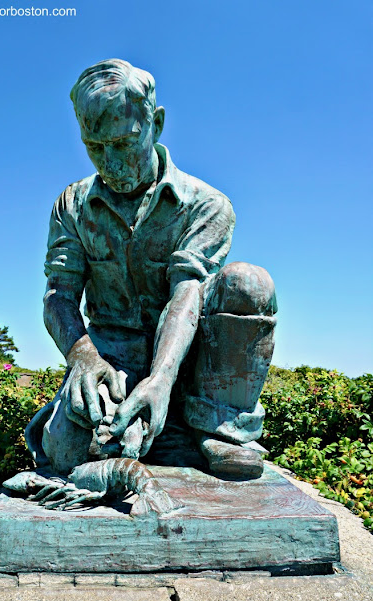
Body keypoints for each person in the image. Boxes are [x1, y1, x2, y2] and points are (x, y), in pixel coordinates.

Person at [26, 58, 277, 479]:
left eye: (123, 143)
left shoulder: (206, 204)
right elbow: (59, 295)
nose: (111, 162)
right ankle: (160, 429)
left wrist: (161, 378)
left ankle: (217, 426)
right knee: (73, 454)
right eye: (95, 146)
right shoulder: (72, 205)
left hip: (191, 361)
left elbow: (185, 294)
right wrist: (83, 358)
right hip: (111, 362)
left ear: (155, 124)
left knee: (249, 283)